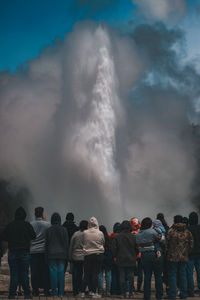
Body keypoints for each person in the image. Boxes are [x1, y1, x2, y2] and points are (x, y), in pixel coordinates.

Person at [1, 206, 36, 299]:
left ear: (15, 215)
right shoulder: (27, 225)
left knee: (14, 274)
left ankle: (12, 294)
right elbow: (34, 236)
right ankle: (27, 294)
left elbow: (3, 236)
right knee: (24, 274)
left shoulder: (10, 225)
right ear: (24, 215)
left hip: (13, 252)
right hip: (24, 253)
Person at [165, 215, 194, 299]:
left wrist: (168, 253)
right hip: (184, 257)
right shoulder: (187, 232)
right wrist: (186, 253)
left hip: (172, 257)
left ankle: (173, 294)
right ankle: (183, 294)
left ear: (174, 221)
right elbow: (191, 245)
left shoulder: (170, 231)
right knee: (183, 275)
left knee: (172, 275)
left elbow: (166, 245)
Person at [136, 217, 163, 300]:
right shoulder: (152, 232)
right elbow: (161, 240)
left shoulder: (138, 234)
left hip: (144, 256)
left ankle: (146, 296)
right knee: (158, 276)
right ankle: (159, 296)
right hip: (153, 254)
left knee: (147, 276)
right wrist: (157, 230)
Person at [112, 220, 138, 299]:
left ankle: (123, 293)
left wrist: (115, 256)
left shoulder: (117, 237)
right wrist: (134, 255)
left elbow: (114, 249)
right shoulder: (133, 237)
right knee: (130, 277)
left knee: (122, 276)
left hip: (120, 259)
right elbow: (137, 249)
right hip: (131, 259)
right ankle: (130, 292)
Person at [45, 212, 69, 298]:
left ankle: (54, 292)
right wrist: (67, 256)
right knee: (61, 273)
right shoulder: (64, 230)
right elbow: (66, 244)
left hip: (51, 255)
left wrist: (46, 256)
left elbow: (46, 245)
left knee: (53, 274)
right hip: (62, 254)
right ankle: (61, 292)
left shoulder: (48, 230)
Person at [81, 217, 105, 298]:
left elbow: (82, 242)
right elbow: (103, 242)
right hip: (98, 254)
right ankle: (94, 292)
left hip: (88, 255)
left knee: (86, 274)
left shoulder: (85, 232)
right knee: (95, 274)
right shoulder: (100, 233)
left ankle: (82, 292)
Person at [30, 207, 51, 296]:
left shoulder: (31, 224)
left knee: (34, 271)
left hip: (33, 251)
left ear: (35, 214)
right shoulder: (47, 224)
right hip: (43, 251)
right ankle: (46, 290)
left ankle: (35, 291)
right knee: (45, 271)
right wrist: (45, 220)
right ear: (42, 214)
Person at [69, 220, 88, 296]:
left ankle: (75, 290)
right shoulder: (87, 234)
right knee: (84, 274)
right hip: (85, 256)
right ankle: (81, 289)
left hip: (76, 257)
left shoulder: (75, 234)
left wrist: (70, 257)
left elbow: (71, 246)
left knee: (76, 274)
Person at [187, 212, 200, 296]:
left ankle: (191, 290)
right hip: (199, 254)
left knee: (189, 273)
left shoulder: (187, 229)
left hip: (190, 254)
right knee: (199, 272)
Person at [98, 225, 113, 297]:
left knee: (100, 274)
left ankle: (100, 291)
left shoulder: (98, 238)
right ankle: (108, 291)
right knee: (108, 274)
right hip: (108, 257)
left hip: (100, 256)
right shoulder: (109, 238)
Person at [130, 218, 143, 293]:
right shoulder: (141, 232)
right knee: (140, 272)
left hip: (133, 254)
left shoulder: (131, 233)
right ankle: (138, 288)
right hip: (141, 254)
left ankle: (132, 287)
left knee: (131, 271)